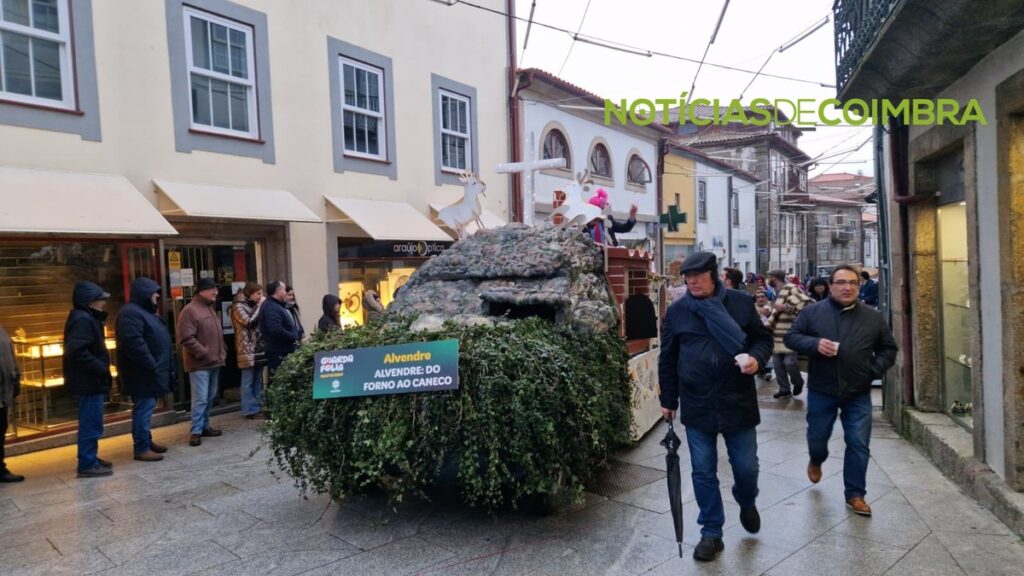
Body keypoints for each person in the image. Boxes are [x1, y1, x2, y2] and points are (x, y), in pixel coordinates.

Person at [658, 252, 773, 562]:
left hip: (737, 399)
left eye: (698, 275)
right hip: (697, 402)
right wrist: (668, 399)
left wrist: (756, 359)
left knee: (746, 468)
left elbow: (762, 340)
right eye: (687, 277)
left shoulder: (740, 303)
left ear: (714, 274)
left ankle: (746, 500)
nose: (692, 282)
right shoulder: (679, 311)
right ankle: (711, 532)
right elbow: (668, 357)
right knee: (703, 470)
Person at [784, 265, 898, 517]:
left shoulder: (872, 317)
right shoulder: (813, 312)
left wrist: (872, 371)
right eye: (841, 282)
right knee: (818, 437)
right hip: (822, 388)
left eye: (853, 283)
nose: (847, 287)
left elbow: (888, 349)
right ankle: (816, 459)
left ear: (859, 286)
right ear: (831, 286)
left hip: (857, 390)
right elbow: (791, 337)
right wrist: (815, 343)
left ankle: (855, 494)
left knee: (858, 442)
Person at [116, 278, 173, 462]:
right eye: (154, 292)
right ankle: (141, 447)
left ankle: (146, 441)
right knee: (143, 409)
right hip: (142, 373)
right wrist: (151, 364)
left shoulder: (145, 313)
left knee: (147, 409)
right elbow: (134, 344)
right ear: (145, 294)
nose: (157, 296)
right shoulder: (131, 313)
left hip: (149, 372)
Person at [63, 282, 114, 478]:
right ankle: (87, 462)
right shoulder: (82, 319)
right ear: (90, 302)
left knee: (92, 421)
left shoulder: (85, 317)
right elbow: (78, 352)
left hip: (89, 380)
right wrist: (100, 367)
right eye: (100, 300)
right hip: (88, 381)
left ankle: (91, 457)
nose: (103, 303)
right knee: (90, 422)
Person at [178, 278, 226, 447]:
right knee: (200, 398)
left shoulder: (209, 308)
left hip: (214, 361)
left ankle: (205, 426)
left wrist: (222, 351)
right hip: (200, 364)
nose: (216, 292)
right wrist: (203, 352)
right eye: (212, 289)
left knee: (210, 397)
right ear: (202, 291)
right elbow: (186, 338)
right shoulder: (189, 311)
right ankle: (196, 431)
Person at [767, 270, 813, 399]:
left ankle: (798, 382)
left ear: (774, 278)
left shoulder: (791, 288)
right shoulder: (776, 291)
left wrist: (785, 307)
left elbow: (806, 304)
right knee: (777, 365)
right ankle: (784, 389)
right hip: (776, 334)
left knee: (790, 363)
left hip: (789, 333)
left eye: (770, 277)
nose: (768, 279)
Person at [231, 282, 266, 420]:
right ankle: (248, 409)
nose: (260, 297)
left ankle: (258, 407)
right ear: (249, 294)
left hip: (258, 347)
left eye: (261, 294)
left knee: (258, 379)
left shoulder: (252, 304)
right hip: (246, 348)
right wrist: (260, 306)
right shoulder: (238, 306)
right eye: (258, 294)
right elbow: (249, 322)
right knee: (248, 380)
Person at [260, 280, 301, 374]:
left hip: (283, 351)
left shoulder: (276, 305)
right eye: (284, 290)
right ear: (278, 291)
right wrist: (292, 336)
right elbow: (275, 329)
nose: (286, 292)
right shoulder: (271, 307)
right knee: (279, 376)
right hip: (278, 352)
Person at [0, 325, 24, 482]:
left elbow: (10, 353)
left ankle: (0, 469)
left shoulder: (1, 330)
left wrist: (16, 377)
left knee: (1, 429)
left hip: (3, 392)